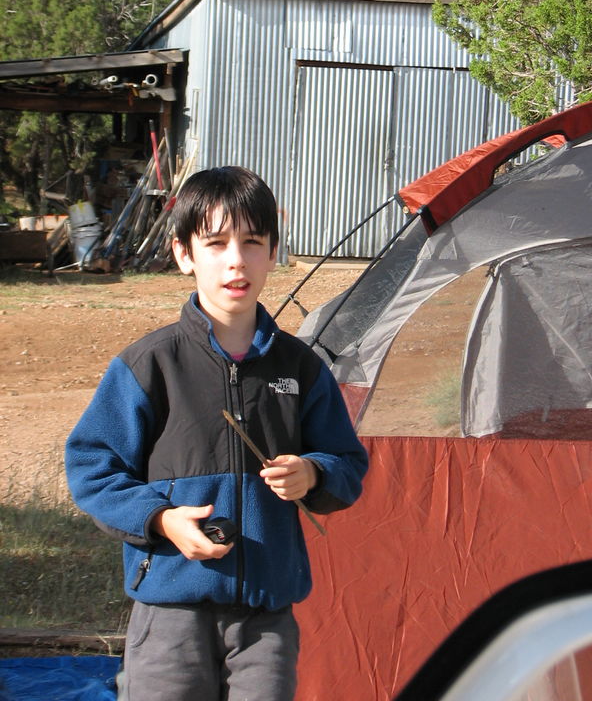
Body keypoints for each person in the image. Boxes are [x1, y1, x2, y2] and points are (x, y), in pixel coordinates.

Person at [65, 166, 369, 701]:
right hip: (170, 609)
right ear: (184, 254)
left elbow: (347, 463)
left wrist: (313, 473)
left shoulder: (302, 369)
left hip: (266, 616)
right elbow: (93, 468)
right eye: (216, 243)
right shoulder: (150, 364)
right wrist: (160, 518)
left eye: (253, 242)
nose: (237, 260)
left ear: (273, 252)